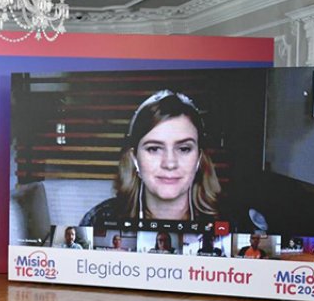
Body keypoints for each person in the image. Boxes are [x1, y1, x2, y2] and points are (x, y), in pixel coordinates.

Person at [81, 90, 221, 225]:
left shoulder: (227, 221)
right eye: (154, 149)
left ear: (199, 157)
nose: (170, 164)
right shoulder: (97, 220)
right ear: (134, 158)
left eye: (184, 149)